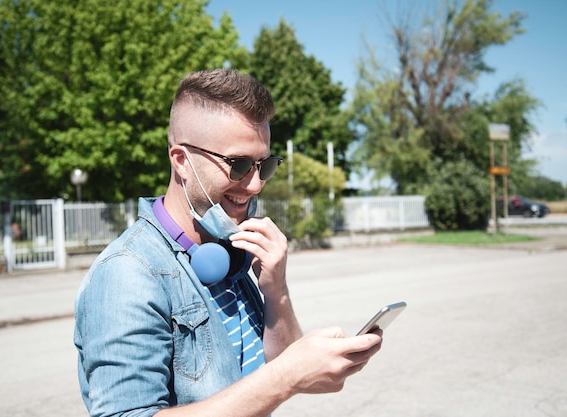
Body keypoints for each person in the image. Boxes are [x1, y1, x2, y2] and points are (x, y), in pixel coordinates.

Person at [74, 68, 383, 417]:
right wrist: (286, 375)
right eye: (238, 165)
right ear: (182, 161)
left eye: (263, 166)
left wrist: (275, 290)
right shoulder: (127, 273)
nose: (254, 185)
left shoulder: (230, 249)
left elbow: (286, 374)